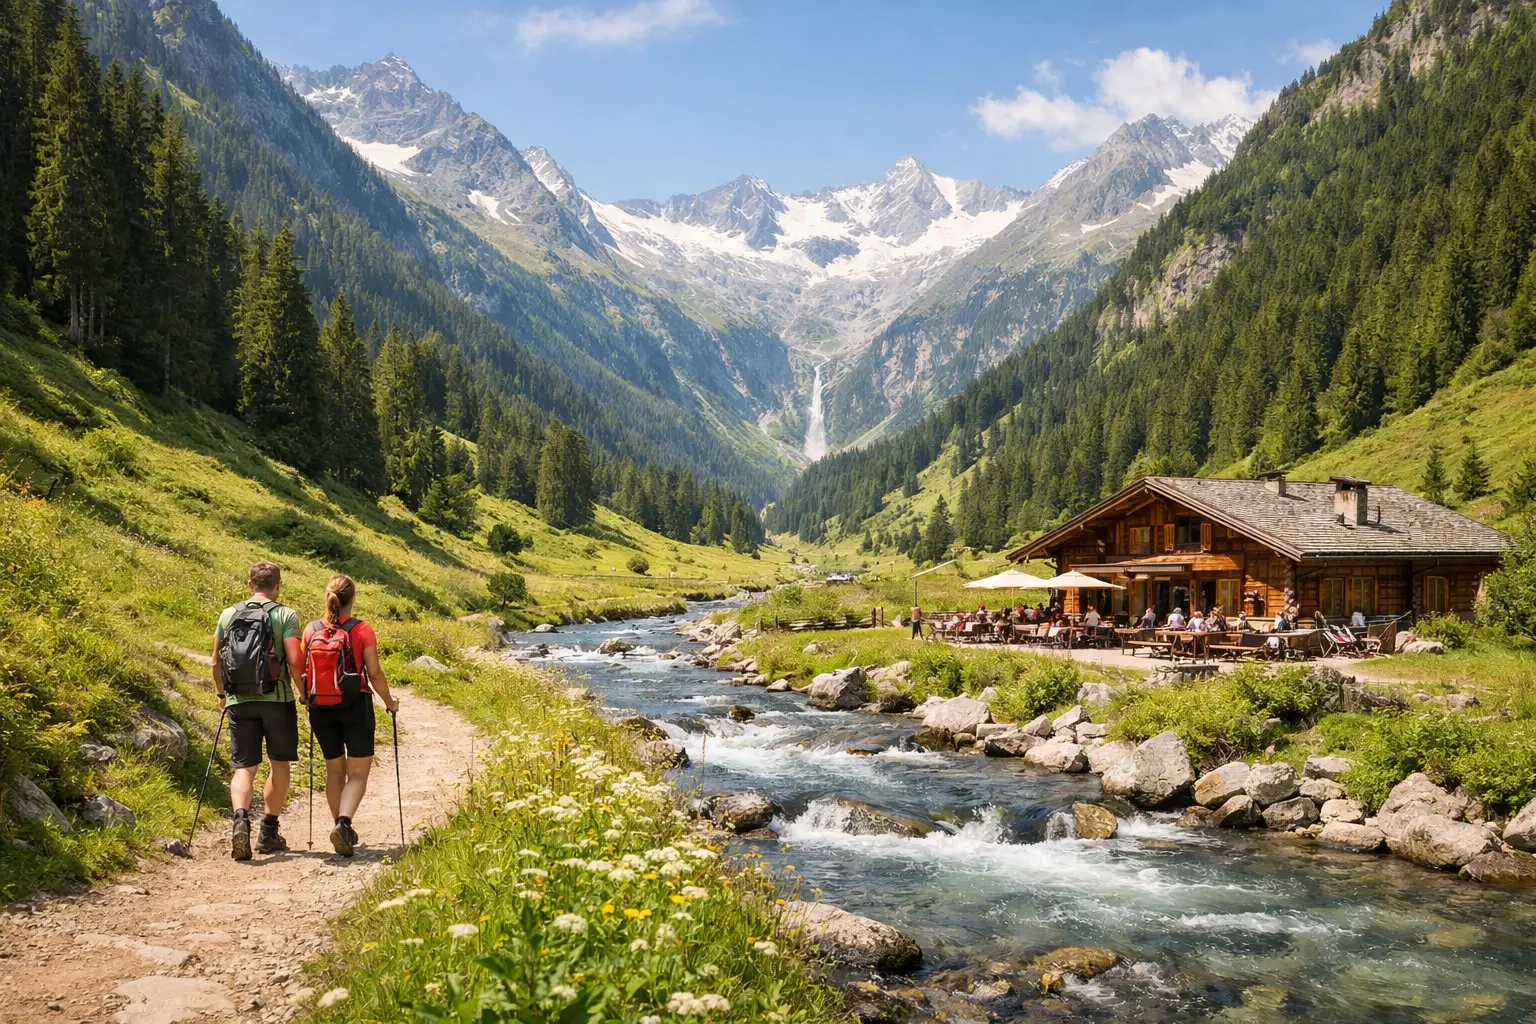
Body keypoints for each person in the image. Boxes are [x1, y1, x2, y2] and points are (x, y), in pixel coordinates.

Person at [302, 574, 401, 858]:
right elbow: (374, 673)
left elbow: (303, 671)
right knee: (357, 773)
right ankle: (344, 824)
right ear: (352, 599)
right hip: (356, 705)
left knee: (335, 770)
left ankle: (339, 826)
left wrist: (306, 698)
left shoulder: (311, 630)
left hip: (321, 706)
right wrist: (390, 702)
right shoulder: (362, 630)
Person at [213, 561, 304, 861]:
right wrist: (304, 694)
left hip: (239, 700)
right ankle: (269, 831)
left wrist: (222, 695)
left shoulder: (229, 614)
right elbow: (294, 659)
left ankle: (240, 820)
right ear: (278, 586)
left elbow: (215, 662)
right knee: (279, 765)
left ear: (250, 585)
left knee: (244, 767)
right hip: (277, 699)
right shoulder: (284, 615)